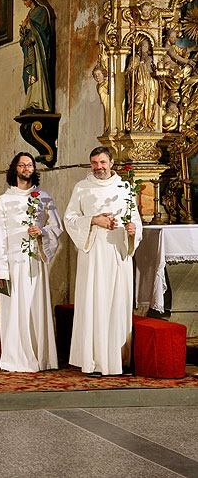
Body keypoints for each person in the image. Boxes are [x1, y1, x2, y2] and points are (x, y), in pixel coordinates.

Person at [64, 146, 142, 376]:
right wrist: (94, 221)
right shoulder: (82, 188)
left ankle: (118, 359)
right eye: (95, 163)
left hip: (117, 254)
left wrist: (132, 230)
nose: (99, 167)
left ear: (111, 163)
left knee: (117, 303)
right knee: (94, 301)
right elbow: (70, 219)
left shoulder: (126, 187)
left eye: (103, 162)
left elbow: (135, 218)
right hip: (94, 253)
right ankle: (93, 360)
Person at [0, 153, 63, 372]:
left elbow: (57, 227)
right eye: (22, 165)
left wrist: (42, 232)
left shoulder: (44, 197)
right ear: (15, 169)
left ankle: (42, 357)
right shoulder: (4, 200)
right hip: (13, 262)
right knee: (15, 310)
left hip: (36, 260)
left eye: (30, 165)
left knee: (36, 307)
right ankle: (15, 358)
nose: (26, 168)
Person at [19, 0, 53, 114]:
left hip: (38, 50)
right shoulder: (30, 13)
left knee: (38, 72)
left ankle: (40, 102)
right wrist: (23, 29)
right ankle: (31, 101)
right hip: (30, 50)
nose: (24, 3)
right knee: (27, 75)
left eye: (25, 1)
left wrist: (32, 38)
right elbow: (25, 31)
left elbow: (42, 30)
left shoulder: (41, 11)